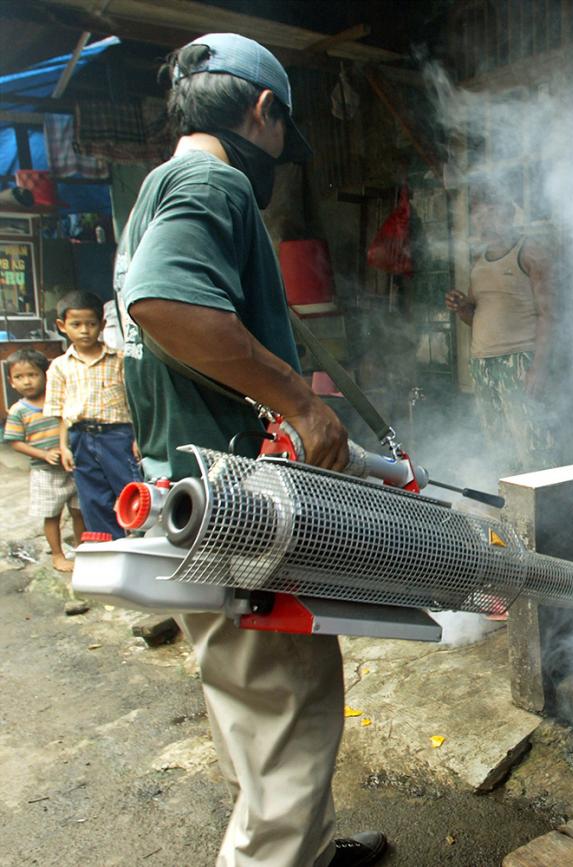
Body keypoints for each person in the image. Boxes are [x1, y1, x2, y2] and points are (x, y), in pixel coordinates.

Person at [115, 33, 385, 867]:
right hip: (235, 512)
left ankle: (301, 845)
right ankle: (277, 851)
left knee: (255, 709)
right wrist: (302, 404)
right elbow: (165, 303)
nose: (277, 158)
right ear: (263, 111)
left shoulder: (158, 186)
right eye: (281, 136)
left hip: (191, 489)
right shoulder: (212, 179)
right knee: (293, 711)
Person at [444, 189, 557, 473]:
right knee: (498, 445)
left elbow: (548, 315)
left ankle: (548, 510)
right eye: (477, 215)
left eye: (489, 213)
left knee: (533, 442)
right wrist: (461, 308)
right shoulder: (479, 264)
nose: (482, 222)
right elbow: (477, 316)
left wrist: (538, 368)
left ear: (507, 214)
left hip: (519, 360)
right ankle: (512, 511)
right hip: (483, 364)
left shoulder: (530, 254)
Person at [44, 290, 139, 540]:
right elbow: (60, 412)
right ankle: (110, 548)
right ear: (62, 326)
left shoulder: (118, 360)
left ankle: (144, 543)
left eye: (91, 324)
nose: (84, 330)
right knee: (93, 497)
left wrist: (137, 437)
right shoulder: (59, 367)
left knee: (134, 491)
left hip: (117, 437)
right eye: (76, 324)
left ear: (102, 325)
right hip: (80, 438)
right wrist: (63, 446)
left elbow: (134, 403)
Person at [4, 349, 85, 572]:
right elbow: (15, 442)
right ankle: (57, 555)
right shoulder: (19, 411)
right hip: (45, 472)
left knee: (79, 511)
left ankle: (82, 549)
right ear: (11, 382)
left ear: (45, 375)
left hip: (72, 467)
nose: (27, 381)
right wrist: (44, 455)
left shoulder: (58, 402)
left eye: (32, 374)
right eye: (19, 377)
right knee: (52, 515)